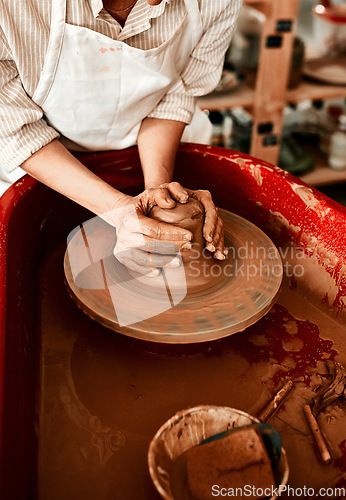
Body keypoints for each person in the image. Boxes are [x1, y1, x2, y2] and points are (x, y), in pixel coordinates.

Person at [0, 0, 241, 274]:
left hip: (154, 146)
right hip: (40, 160)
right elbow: (14, 126)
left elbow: (176, 93)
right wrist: (116, 209)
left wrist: (159, 199)